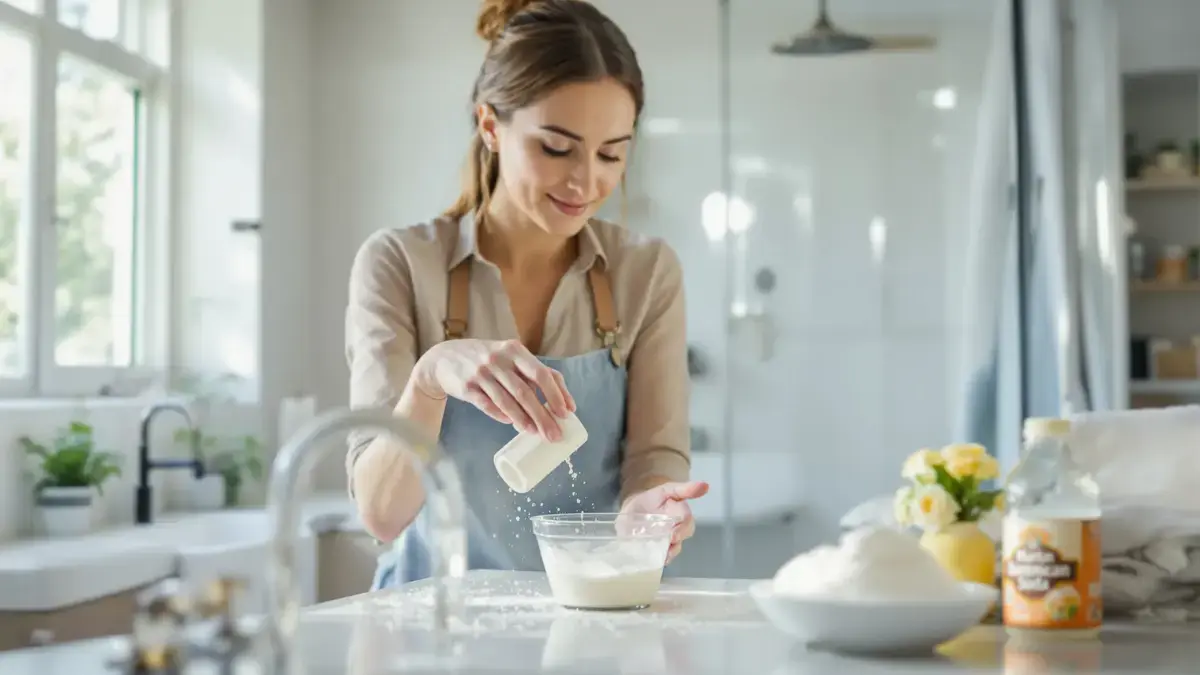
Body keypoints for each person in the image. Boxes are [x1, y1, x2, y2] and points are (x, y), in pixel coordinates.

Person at [344, 0, 708, 589]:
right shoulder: (400, 265)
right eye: (556, 148)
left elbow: (653, 460)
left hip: (593, 618)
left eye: (612, 152)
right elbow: (382, 514)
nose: (587, 181)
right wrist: (430, 378)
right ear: (491, 126)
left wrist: (648, 511)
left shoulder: (646, 272)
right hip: (430, 625)